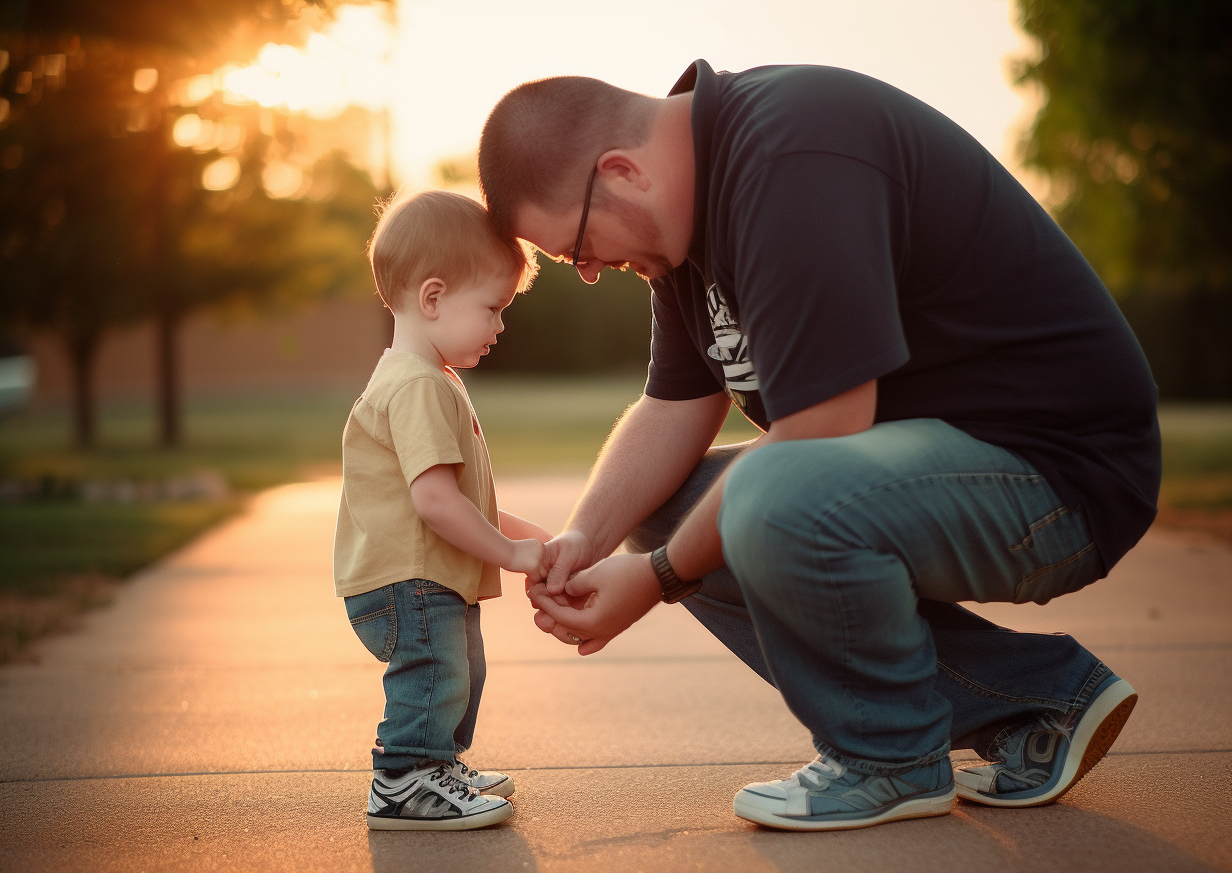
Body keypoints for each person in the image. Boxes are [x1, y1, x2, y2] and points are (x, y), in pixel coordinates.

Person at [477, 61, 1161, 831]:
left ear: (621, 171)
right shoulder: (684, 228)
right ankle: (1040, 698)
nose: (593, 272)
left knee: (775, 497)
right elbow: (674, 404)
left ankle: (889, 758)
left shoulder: (787, 156)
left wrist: (659, 577)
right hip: (941, 470)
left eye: (576, 250)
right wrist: (584, 539)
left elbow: (822, 427)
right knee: (674, 508)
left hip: (1058, 475)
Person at [332, 190, 551, 830]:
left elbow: (461, 499)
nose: (500, 326)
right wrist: (510, 554)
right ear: (433, 298)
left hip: (426, 576)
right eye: (493, 309)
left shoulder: (425, 380)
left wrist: (530, 537)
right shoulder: (418, 387)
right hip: (410, 579)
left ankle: (436, 767)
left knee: (458, 673)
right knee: (435, 674)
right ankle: (404, 781)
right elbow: (434, 503)